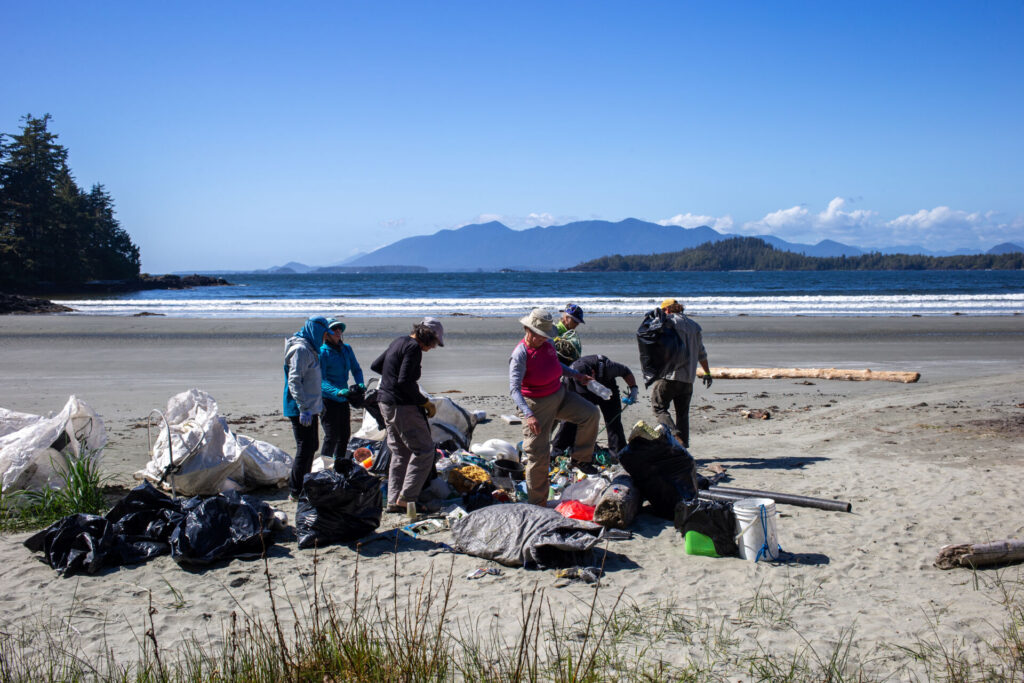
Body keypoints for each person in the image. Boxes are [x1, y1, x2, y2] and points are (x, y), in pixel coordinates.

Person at [509, 308, 600, 505]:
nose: (543, 338)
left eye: (545, 335)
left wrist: (577, 376)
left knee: (590, 413)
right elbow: (514, 390)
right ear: (527, 329)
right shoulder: (520, 354)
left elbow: (557, 366)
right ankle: (537, 503)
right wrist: (528, 414)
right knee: (538, 455)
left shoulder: (549, 343)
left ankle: (580, 458)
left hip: (559, 394)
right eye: (539, 335)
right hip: (535, 405)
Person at [371, 317, 445, 513]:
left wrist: (391, 377)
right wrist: (424, 401)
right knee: (425, 450)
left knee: (401, 452)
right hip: (402, 406)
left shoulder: (398, 341)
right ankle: (407, 498)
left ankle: (394, 500)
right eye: (434, 343)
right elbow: (404, 382)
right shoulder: (413, 348)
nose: (433, 348)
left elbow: (377, 366)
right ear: (428, 337)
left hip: (384, 401)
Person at [648, 298, 712, 448]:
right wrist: (707, 373)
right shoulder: (694, 326)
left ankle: (675, 435)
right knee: (682, 415)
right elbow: (701, 353)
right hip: (688, 378)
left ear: (667, 310)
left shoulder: (667, 322)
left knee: (659, 407)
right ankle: (684, 448)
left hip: (670, 375)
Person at [552, 350, 639, 456]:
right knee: (570, 419)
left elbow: (626, 371)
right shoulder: (570, 377)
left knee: (613, 420)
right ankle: (558, 450)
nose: (584, 384)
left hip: (607, 388)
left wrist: (633, 389)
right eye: (582, 383)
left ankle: (617, 452)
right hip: (582, 394)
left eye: (586, 382)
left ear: (592, 372)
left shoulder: (609, 367)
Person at [283, 315, 330, 499]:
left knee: (311, 446)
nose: (325, 337)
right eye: (324, 333)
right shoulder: (301, 349)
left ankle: (303, 485)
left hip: (310, 407)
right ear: (316, 331)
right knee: (305, 447)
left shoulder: (311, 348)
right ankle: (296, 490)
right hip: (300, 409)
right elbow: (294, 380)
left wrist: (316, 405)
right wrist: (303, 408)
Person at [319, 319, 365, 465]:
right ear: (326, 334)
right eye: (334, 329)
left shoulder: (346, 349)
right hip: (328, 399)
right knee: (331, 436)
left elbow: (356, 369)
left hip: (344, 399)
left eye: (340, 329)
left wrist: (360, 383)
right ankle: (324, 468)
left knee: (344, 435)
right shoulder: (322, 353)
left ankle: (339, 465)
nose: (338, 332)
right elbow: (321, 380)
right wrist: (337, 392)